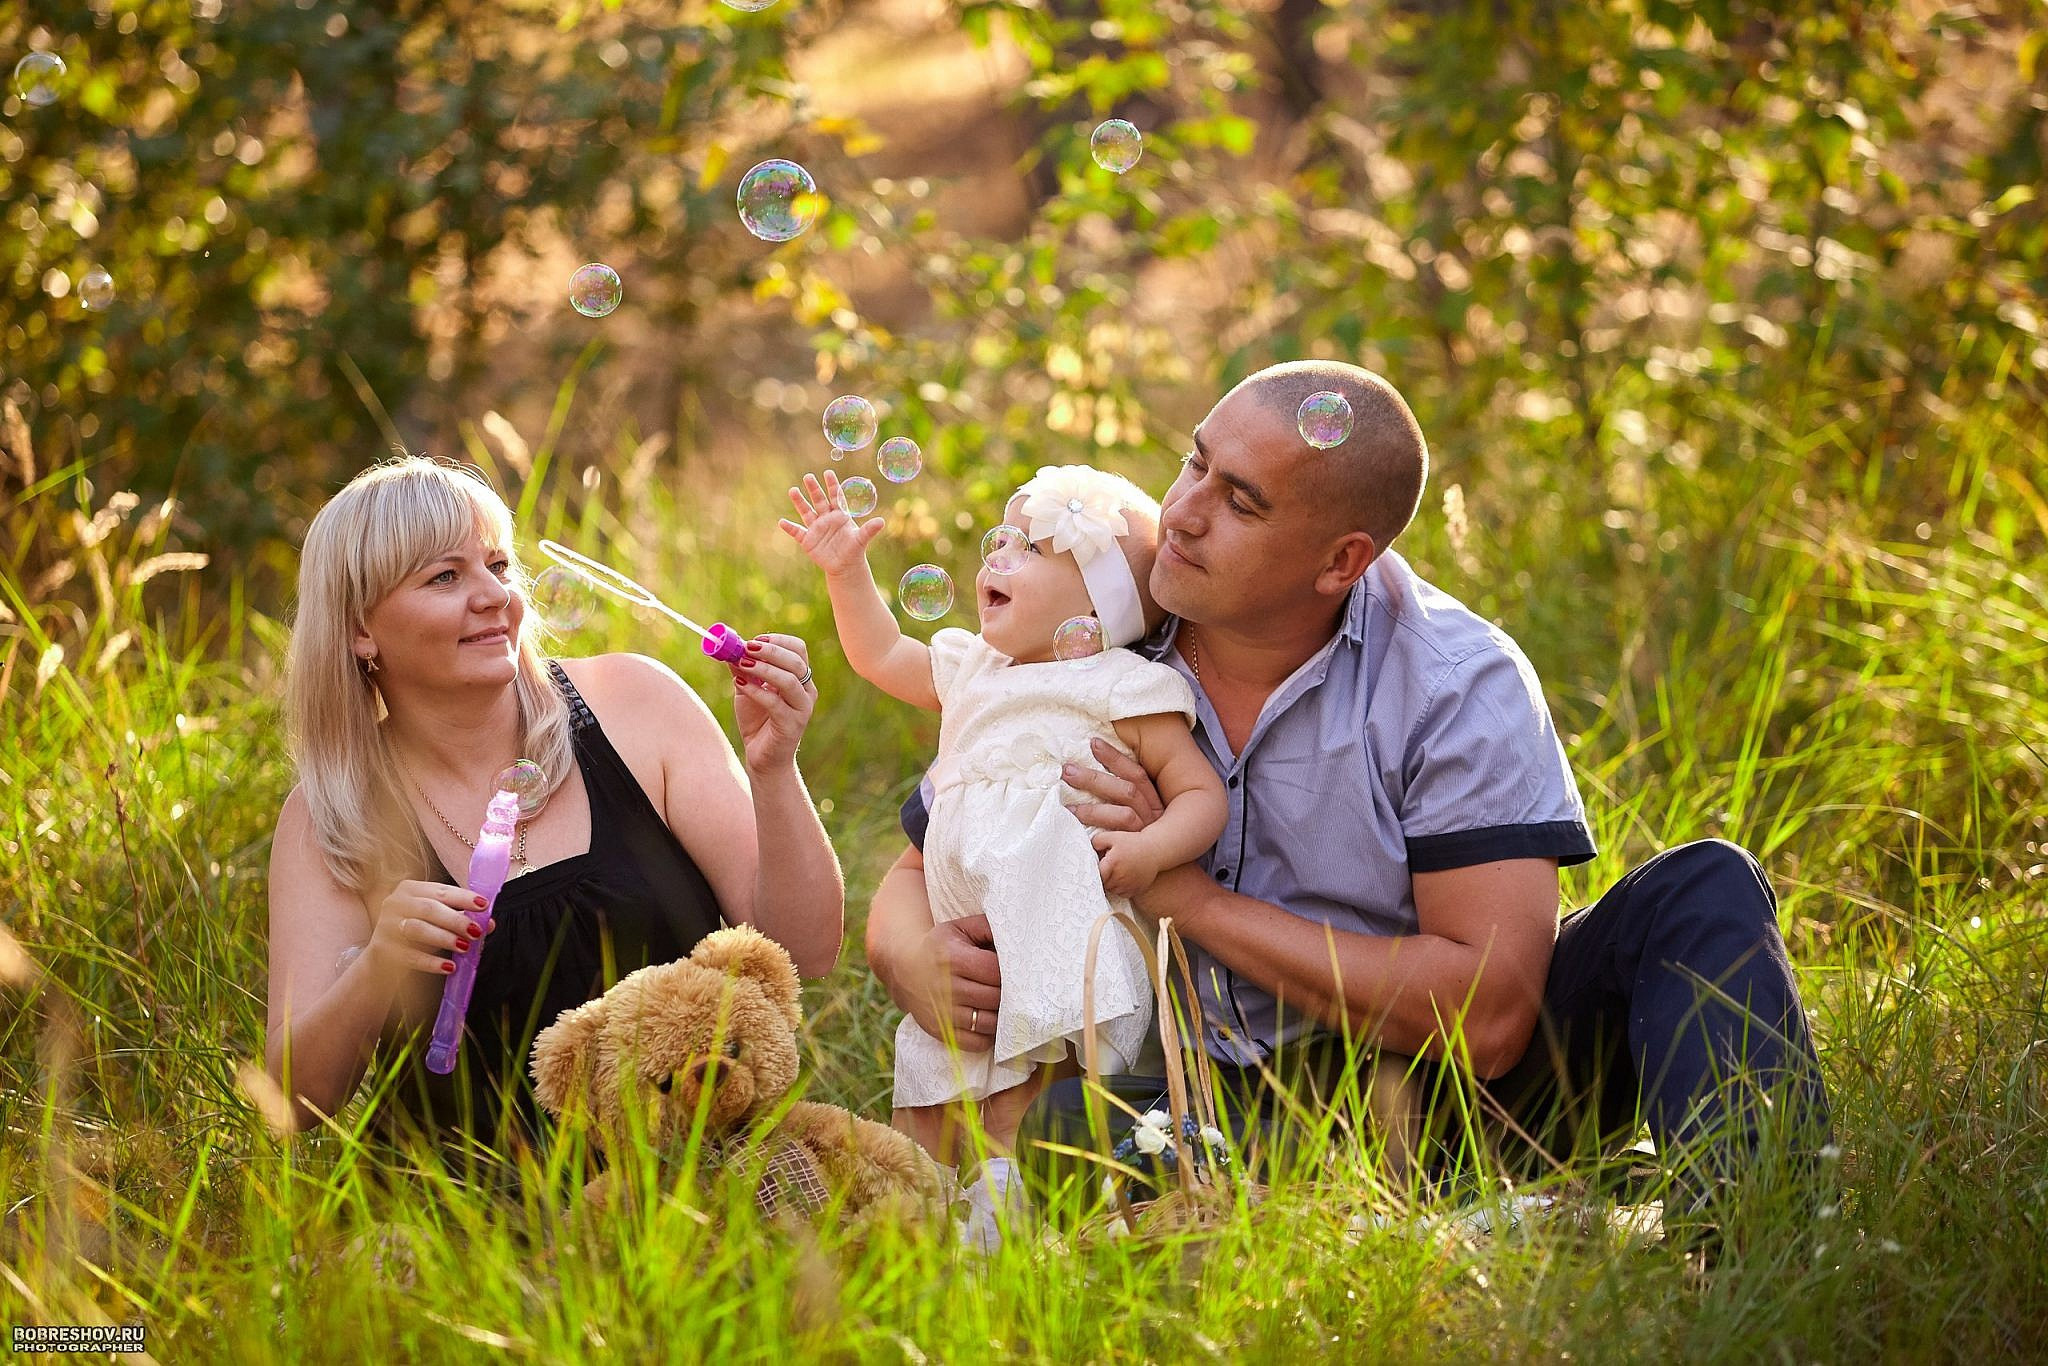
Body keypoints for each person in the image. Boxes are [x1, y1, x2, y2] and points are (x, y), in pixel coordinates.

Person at [868, 361, 1832, 1219]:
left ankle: (1751, 1229)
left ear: (1342, 561)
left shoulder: (1456, 681)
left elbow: (1491, 1018)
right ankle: (1494, 1223)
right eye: (1193, 463)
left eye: (1241, 503)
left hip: (1459, 1094)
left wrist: (1194, 902)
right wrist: (910, 955)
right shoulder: (1102, 623)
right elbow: (916, 870)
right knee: (1069, 1139)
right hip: (1205, 1096)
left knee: (1705, 887)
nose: (1187, 513)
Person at [263, 456, 844, 1157]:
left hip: (697, 1190)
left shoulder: (637, 707)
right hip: (467, 1222)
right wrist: (375, 970)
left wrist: (774, 770)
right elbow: (291, 1104)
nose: (495, 597)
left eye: (498, 565)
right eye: (445, 576)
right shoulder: (333, 814)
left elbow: (807, 950)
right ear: (361, 630)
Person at [780, 466, 1226, 1228]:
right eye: (999, 540)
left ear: (1094, 602)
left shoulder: (1120, 687)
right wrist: (846, 571)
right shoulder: (975, 671)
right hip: (967, 937)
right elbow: (880, 655)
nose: (996, 558)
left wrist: (1152, 853)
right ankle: (942, 1219)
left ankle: (1034, 1226)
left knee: (1038, 1092)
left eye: (1028, 548)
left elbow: (1200, 797)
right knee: (943, 1086)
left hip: (1059, 932)